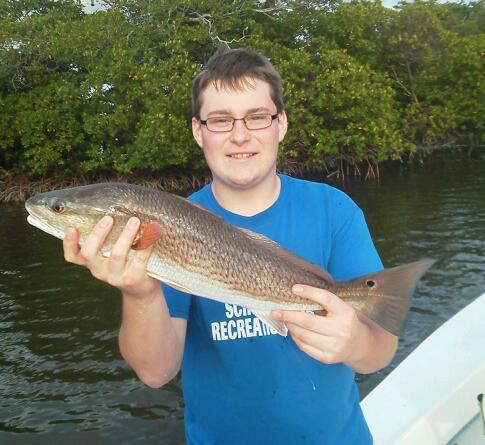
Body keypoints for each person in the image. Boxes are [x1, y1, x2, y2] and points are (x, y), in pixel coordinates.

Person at [63, 47, 398, 444]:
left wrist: (354, 341)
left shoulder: (335, 211)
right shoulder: (165, 227)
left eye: (257, 117)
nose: (240, 135)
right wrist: (139, 292)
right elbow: (156, 373)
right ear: (197, 130)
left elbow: (379, 353)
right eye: (220, 120)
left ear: (282, 124)